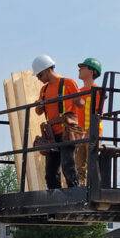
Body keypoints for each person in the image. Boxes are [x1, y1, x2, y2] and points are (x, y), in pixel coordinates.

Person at [32, 54, 80, 189]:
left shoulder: (68, 83)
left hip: (67, 132)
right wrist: (40, 105)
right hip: (52, 135)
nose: (38, 79)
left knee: (67, 166)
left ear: (47, 70)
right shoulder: (44, 90)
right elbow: (38, 112)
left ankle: (75, 195)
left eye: (39, 75)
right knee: (51, 172)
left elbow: (79, 103)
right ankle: (55, 200)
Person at [74, 57, 103, 186]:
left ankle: (93, 186)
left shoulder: (97, 91)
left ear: (92, 71)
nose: (79, 69)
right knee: (79, 163)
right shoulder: (78, 92)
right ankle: (82, 186)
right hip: (80, 133)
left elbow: (98, 114)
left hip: (93, 132)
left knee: (92, 161)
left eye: (83, 67)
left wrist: (90, 131)